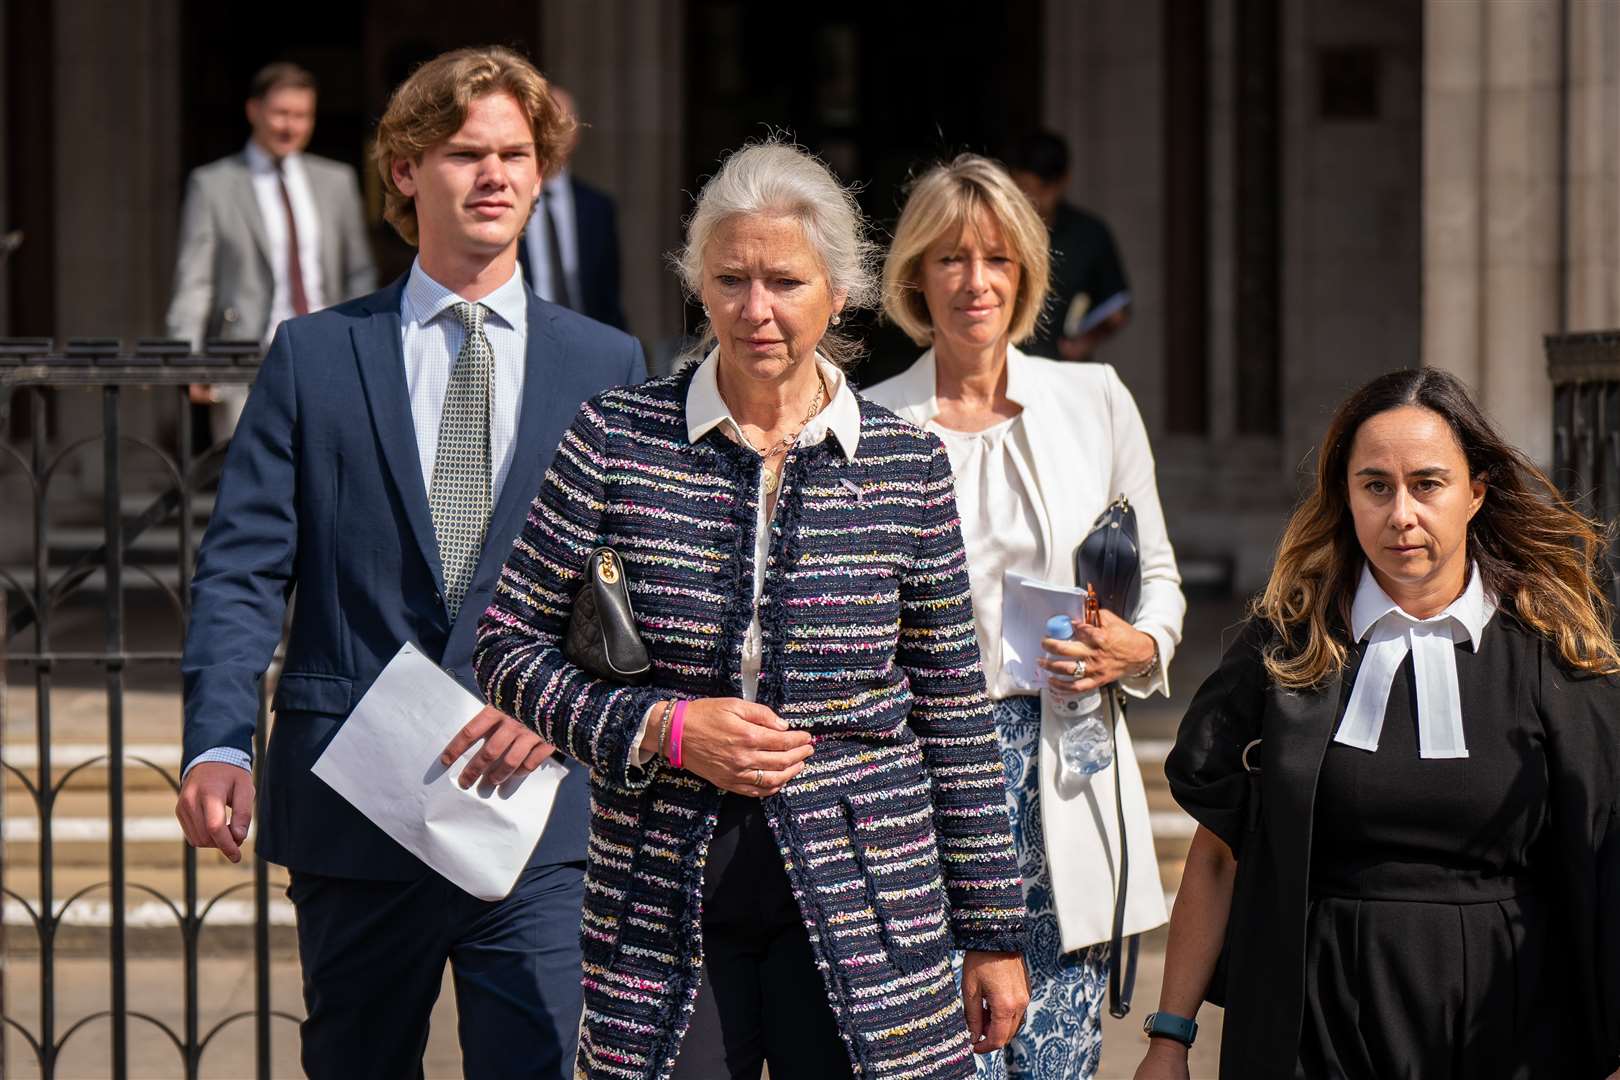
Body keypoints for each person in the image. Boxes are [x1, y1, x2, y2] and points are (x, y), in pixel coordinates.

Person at [474, 140, 1030, 1080]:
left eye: (784, 280)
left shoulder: (905, 467)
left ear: (839, 292)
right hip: (661, 900)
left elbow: (951, 711)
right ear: (699, 284)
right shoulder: (616, 439)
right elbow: (508, 645)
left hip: (873, 904)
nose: (755, 309)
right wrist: (663, 726)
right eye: (730, 279)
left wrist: (992, 928)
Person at [174, 47, 647, 1079]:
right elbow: (244, 567)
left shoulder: (605, 364)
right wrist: (216, 739)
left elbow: (633, 587)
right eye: (467, 151)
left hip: (536, 804)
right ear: (403, 169)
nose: (497, 176)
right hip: (354, 801)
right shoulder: (313, 354)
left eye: (518, 154)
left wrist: (564, 705)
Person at [1138, 368, 1620, 1080]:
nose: (1401, 514)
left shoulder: (1555, 651)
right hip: (1318, 1026)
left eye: (1427, 484)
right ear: (1346, 498)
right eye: (1376, 486)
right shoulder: (1286, 649)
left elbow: (1605, 867)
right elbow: (1215, 858)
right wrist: (1168, 1040)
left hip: (1513, 1023)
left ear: (1476, 493)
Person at [865, 154, 1184, 1079]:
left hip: (1065, 769)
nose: (976, 281)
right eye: (951, 258)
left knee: (1052, 1059)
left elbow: (1158, 577)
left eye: (999, 259)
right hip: (921, 774)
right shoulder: (867, 422)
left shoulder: (1096, 400)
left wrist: (1136, 646)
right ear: (916, 276)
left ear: (1028, 274)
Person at [166, 61, 377, 433]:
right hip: (245, 358)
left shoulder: (336, 181)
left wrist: (360, 341)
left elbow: (358, 272)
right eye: (281, 113)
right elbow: (195, 279)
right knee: (249, 482)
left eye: (302, 115)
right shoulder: (213, 185)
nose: (290, 126)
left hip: (328, 353)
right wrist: (187, 356)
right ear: (254, 111)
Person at [1005, 131, 1129, 363]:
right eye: (1022, 188)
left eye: (1041, 189)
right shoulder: (997, 232)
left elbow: (1116, 310)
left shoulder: (1088, 234)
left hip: (1064, 366)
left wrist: (1086, 340)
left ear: (1063, 182)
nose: (1032, 199)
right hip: (1004, 363)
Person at [516, 85, 628, 330]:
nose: (551, 132)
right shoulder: (508, 201)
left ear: (577, 134)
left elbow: (608, 295)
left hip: (585, 335)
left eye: (561, 123)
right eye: (542, 122)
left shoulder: (598, 208)